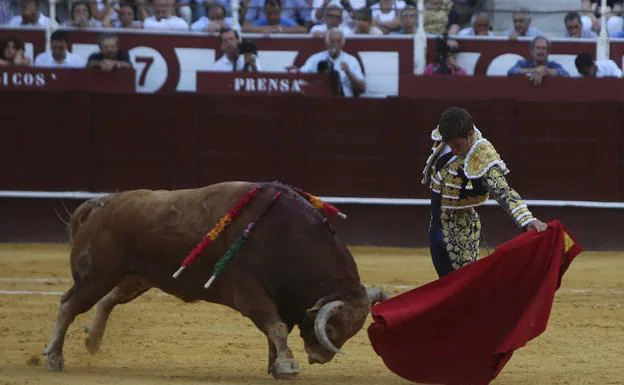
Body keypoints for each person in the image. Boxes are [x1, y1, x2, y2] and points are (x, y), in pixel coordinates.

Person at [421, 107, 547, 277]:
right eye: (450, 145)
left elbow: (504, 192)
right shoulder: (448, 136)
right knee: (444, 283)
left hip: (461, 231)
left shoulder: (482, 155)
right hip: (436, 225)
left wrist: (527, 220)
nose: (454, 150)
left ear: (470, 134)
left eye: (457, 145)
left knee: (462, 287)